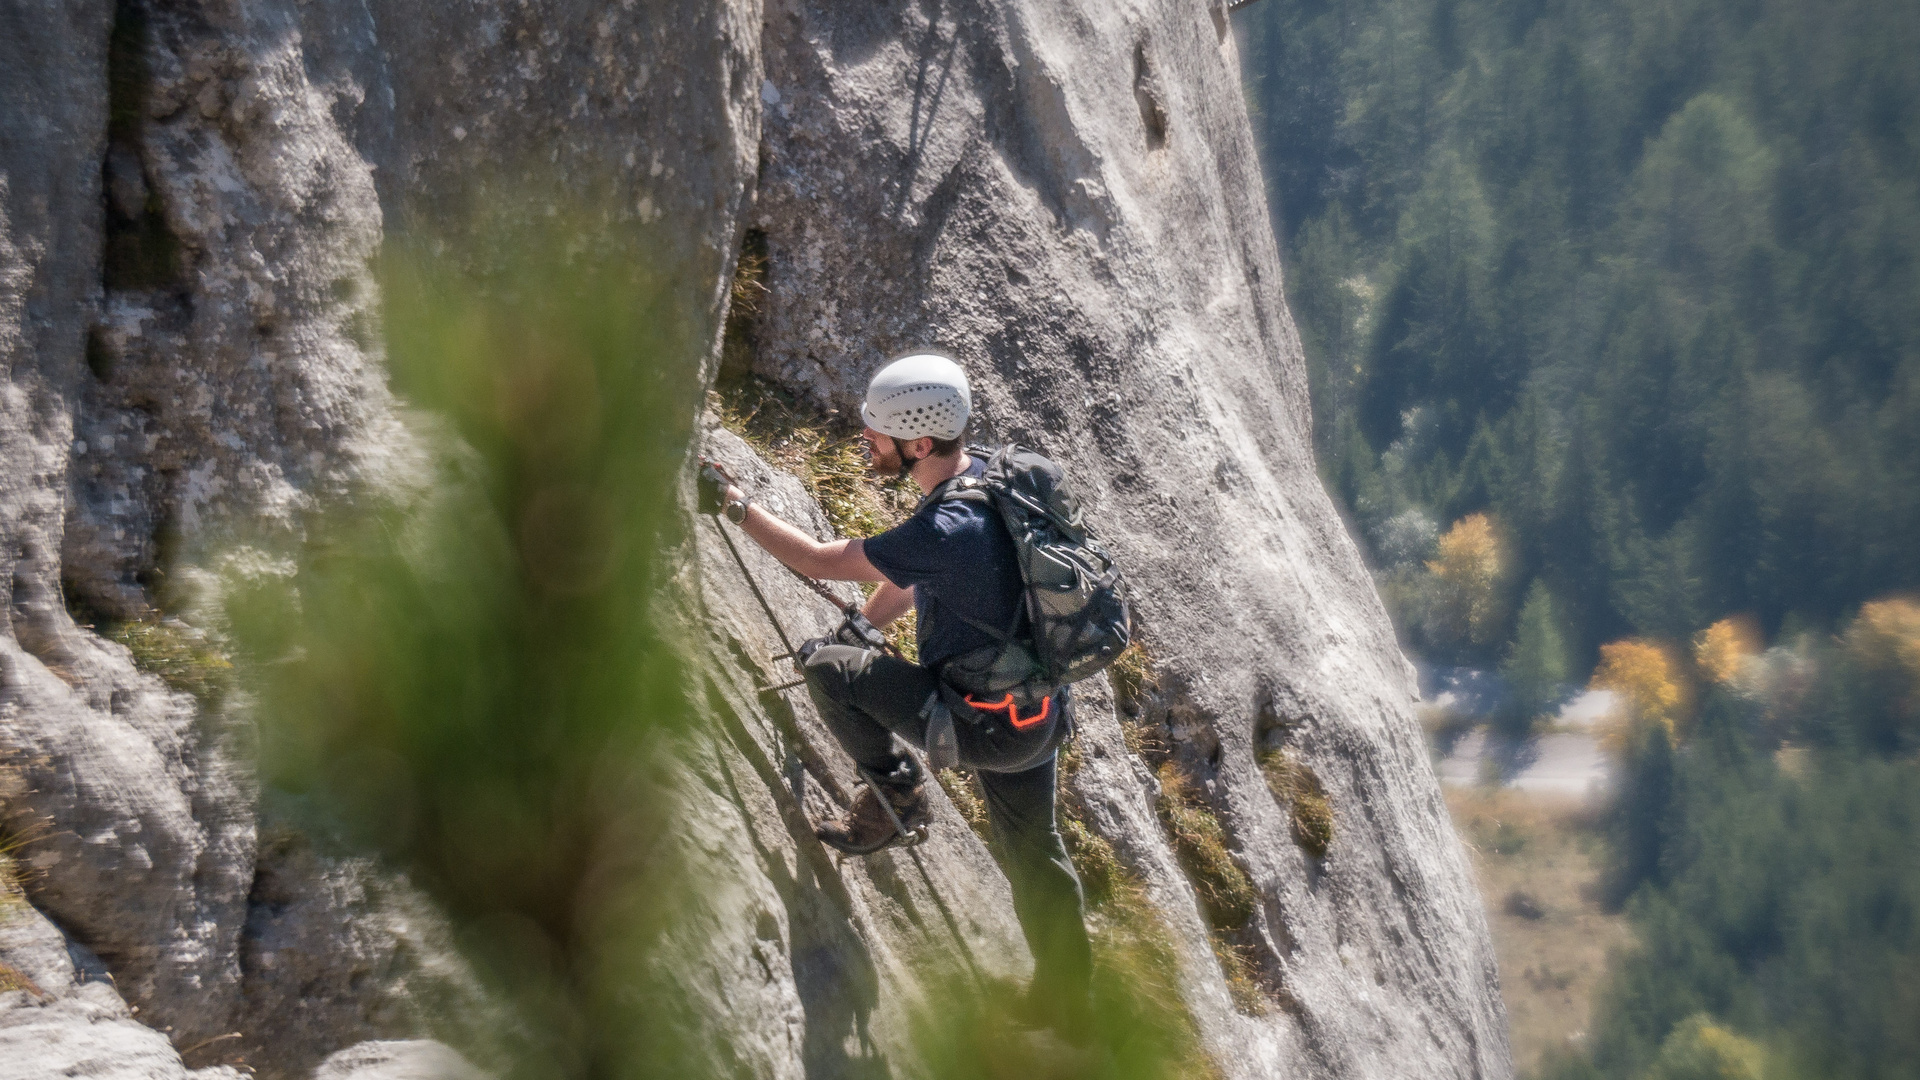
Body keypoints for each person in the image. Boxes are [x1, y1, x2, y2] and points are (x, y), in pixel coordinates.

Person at [704, 351, 1094, 1038]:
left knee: (827, 669)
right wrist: (865, 621)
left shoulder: (943, 527)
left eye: (875, 432)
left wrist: (736, 505)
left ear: (917, 443)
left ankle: (896, 795)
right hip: (1036, 715)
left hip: (982, 725)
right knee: (1039, 854)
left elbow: (821, 560)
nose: (866, 440)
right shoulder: (994, 481)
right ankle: (1070, 1004)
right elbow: (924, 576)